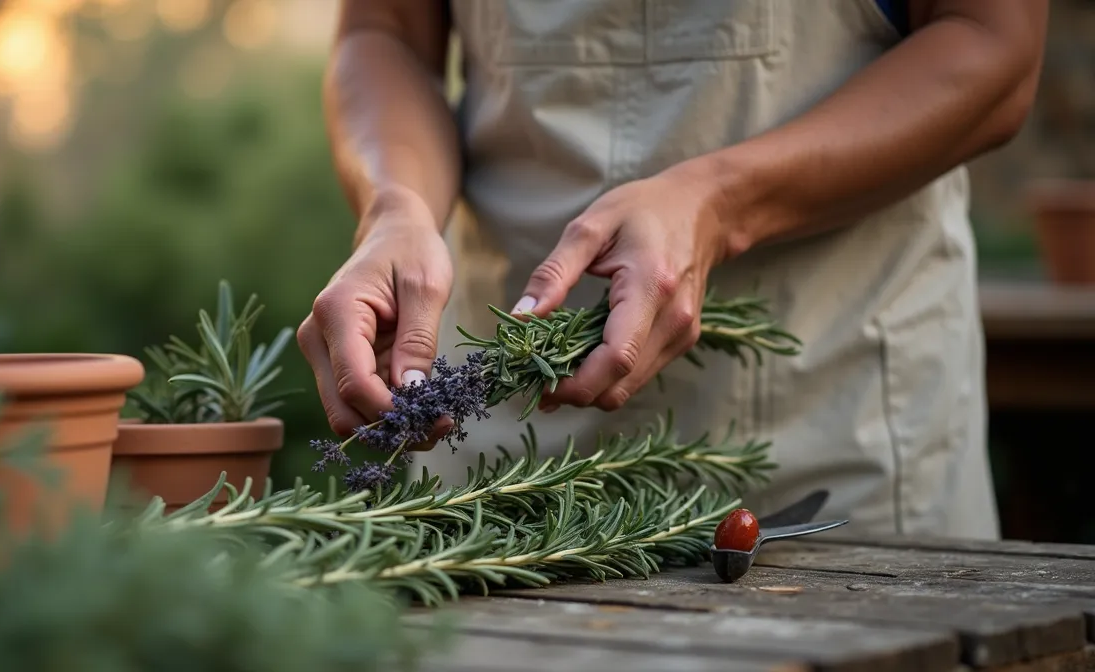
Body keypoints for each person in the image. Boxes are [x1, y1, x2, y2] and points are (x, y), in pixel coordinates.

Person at [297, 0, 1048, 539]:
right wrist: (396, 206)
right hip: (501, 462)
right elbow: (384, 30)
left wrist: (717, 202)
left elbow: (994, 44)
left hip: (833, 428)